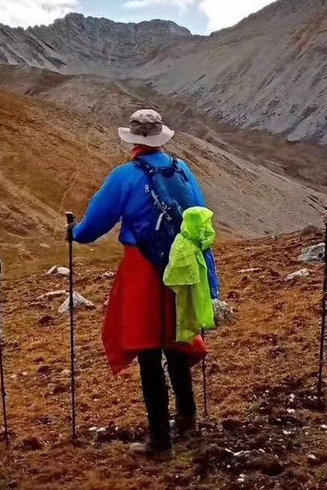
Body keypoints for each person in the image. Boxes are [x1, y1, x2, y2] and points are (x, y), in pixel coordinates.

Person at [69, 109, 220, 457]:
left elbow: (93, 226)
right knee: (177, 338)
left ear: (133, 140)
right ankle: (187, 419)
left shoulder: (126, 176)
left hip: (144, 269)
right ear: (161, 138)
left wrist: (74, 232)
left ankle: (159, 439)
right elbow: (199, 213)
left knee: (148, 349)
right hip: (182, 267)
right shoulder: (182, 169)